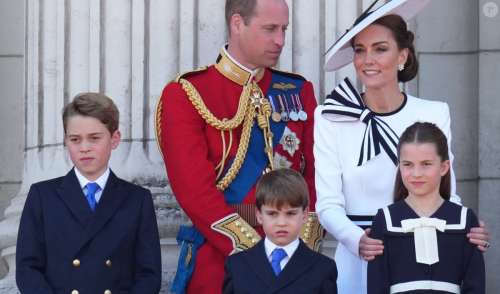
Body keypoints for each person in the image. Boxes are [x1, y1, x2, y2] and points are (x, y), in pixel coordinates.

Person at [314, 1, 490, 293]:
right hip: (360, 256)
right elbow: (328, 205)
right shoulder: (331, 116)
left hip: (423, 256)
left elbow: (448, 193)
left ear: (402, 56)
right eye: (360, 50)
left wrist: (466, 230)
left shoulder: (434, 113)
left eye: (380, 49)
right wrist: (358, 241)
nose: (367, 59)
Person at [156, 0, 319, 293]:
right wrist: (255, 255)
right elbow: (194, 192)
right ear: (237, 24)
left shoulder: (298, 91)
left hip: (294, 262)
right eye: (270, 29)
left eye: (284, 29)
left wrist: (298, 251)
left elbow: (316, 177)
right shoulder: (188, 94)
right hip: (221, 263)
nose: (280, 40)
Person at [16, 93, 162, 294]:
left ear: (114, 139)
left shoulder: (137, 200)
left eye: (94, 138)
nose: (84, 148)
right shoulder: (42, 196)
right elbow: (27, 268)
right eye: (75, 139)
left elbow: (149, 275)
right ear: (66, 141)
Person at [368, 122, 485, 294]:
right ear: (399, 166)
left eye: (426, 164)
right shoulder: (385, 220)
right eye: (407, 164)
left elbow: (475, 286)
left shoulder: (464, 220)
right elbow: (376, 287)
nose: (416, 173)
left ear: (444, 167)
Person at [222, 168, 337, 294]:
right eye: (272, 214)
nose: (281, 223)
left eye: (290, 213)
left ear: (305, 215)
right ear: (259, 215)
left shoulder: (323, 268)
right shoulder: (237, 265)